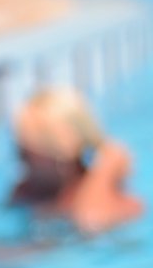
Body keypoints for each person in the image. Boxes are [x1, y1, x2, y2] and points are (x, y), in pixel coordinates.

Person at [8, 87, 144, 234]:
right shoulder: (31, 193)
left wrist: (106, 168)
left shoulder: (114, 201)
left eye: (27, 153)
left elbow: (92, 222)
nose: (20, 159)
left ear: (57, 154)